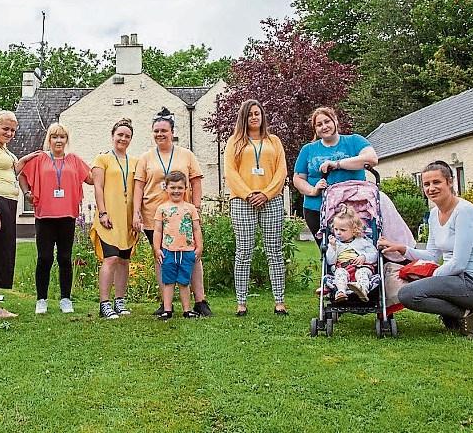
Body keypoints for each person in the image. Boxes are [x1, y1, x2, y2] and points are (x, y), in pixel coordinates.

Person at [378, 161, 473, 338]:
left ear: (450, 182)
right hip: (455, 280)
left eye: (436, 182)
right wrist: (402, 249)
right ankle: (462, 314)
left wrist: (429, 278)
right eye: (426, 184)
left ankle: (469, 314)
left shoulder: (464, 212)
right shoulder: (434, 214)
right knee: (409, 291)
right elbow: (432, 254)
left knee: (409, 293)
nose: (431, 188)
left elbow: (459, 263)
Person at [133, 108, 212, 317]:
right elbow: (139, 187)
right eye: (156, 131)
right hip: (155, 216)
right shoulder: (146, 157)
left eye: (164, 131)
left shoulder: (186, 155)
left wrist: (196, 207)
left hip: (183, 217)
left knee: (192, 257)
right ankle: (165, 302)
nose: (160, 134)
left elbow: (195, 181)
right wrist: (135, 212)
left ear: (172, 132)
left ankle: (200, 301)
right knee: (161, 257)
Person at [224, 100, 288, 317]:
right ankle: (241, 302)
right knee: (243, 251)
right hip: (243, 202)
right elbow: (231, 173)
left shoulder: (274, 141)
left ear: (263, 116)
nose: (254, 117)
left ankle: (279, 301)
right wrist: (249, 194)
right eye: (250, 114)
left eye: (257, 113)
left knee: (275, 252)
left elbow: (281, 171)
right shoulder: (235, 142)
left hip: (271, 201)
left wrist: (266, 194)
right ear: (244, 117)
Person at [19, 123, 91, 314]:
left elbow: (91, 178)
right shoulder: (39, 159)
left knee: (65, 258)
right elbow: (21, 175)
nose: (58, 140)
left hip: (67, 215)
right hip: (45, 215)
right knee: (44, 258)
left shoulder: (74, 160)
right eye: (54, 137)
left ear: (67, 140)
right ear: (49, 140)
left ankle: (65, 299)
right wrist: (27, 193)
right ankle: (41, 299)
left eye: (62, 137)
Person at [0, 111, 40, 318]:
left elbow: (13, 170)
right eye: (5, 128)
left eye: (13, 130)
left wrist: (29, 157)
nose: (10, 133)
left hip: (7, 202)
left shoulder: (3, 150)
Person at [293, 106, 379, 249]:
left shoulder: (354, 141)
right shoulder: (308, 150)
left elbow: (371, 159)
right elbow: (298, 178)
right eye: (319, 124)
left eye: (327, 121)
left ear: (335, 121)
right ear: (315, 129)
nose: (324, 126)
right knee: (328, 250)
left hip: (354, 208)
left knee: (358, 247)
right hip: (317, 208)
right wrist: (313, 190)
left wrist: (337, 164)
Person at [89, 118, 138, 319]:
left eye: (127, 136)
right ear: (112, 136)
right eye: (120, 135)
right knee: (110, 258)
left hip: (127, 218)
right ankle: (104, 303)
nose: (123, 139)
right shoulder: (102, 159)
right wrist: (102, 212)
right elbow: (98, 187)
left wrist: (137, 215)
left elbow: (138, 191)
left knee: (124, 261)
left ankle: (120, 300)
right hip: (108, 216)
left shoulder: (135, 162)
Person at [153, 171, 203, 319]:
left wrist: (199, 247)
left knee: (184, 281)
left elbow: (196, 229)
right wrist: (157, 249)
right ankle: (167, 310)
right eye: (173, 187)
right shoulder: (162, 208)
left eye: (180, 188)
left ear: (186, 188)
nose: (176, 191)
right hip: (168, 251)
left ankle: (187, 310)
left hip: (187, 251)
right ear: (166, 188)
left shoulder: (190, 208)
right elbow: (157, 230)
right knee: (168, 281)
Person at [324, 204, 379, 302]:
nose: (338, 233)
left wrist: (364, 257)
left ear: (354, 230)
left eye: (342, 230)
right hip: (344, 267)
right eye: (336, 229)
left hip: (362, 267)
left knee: (362, 273)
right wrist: (332, 247)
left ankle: (363, 290)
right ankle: (341, 292)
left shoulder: (362, 241)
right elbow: (330, 261)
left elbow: (375, 254)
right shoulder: (335, 244)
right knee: (340, 273)